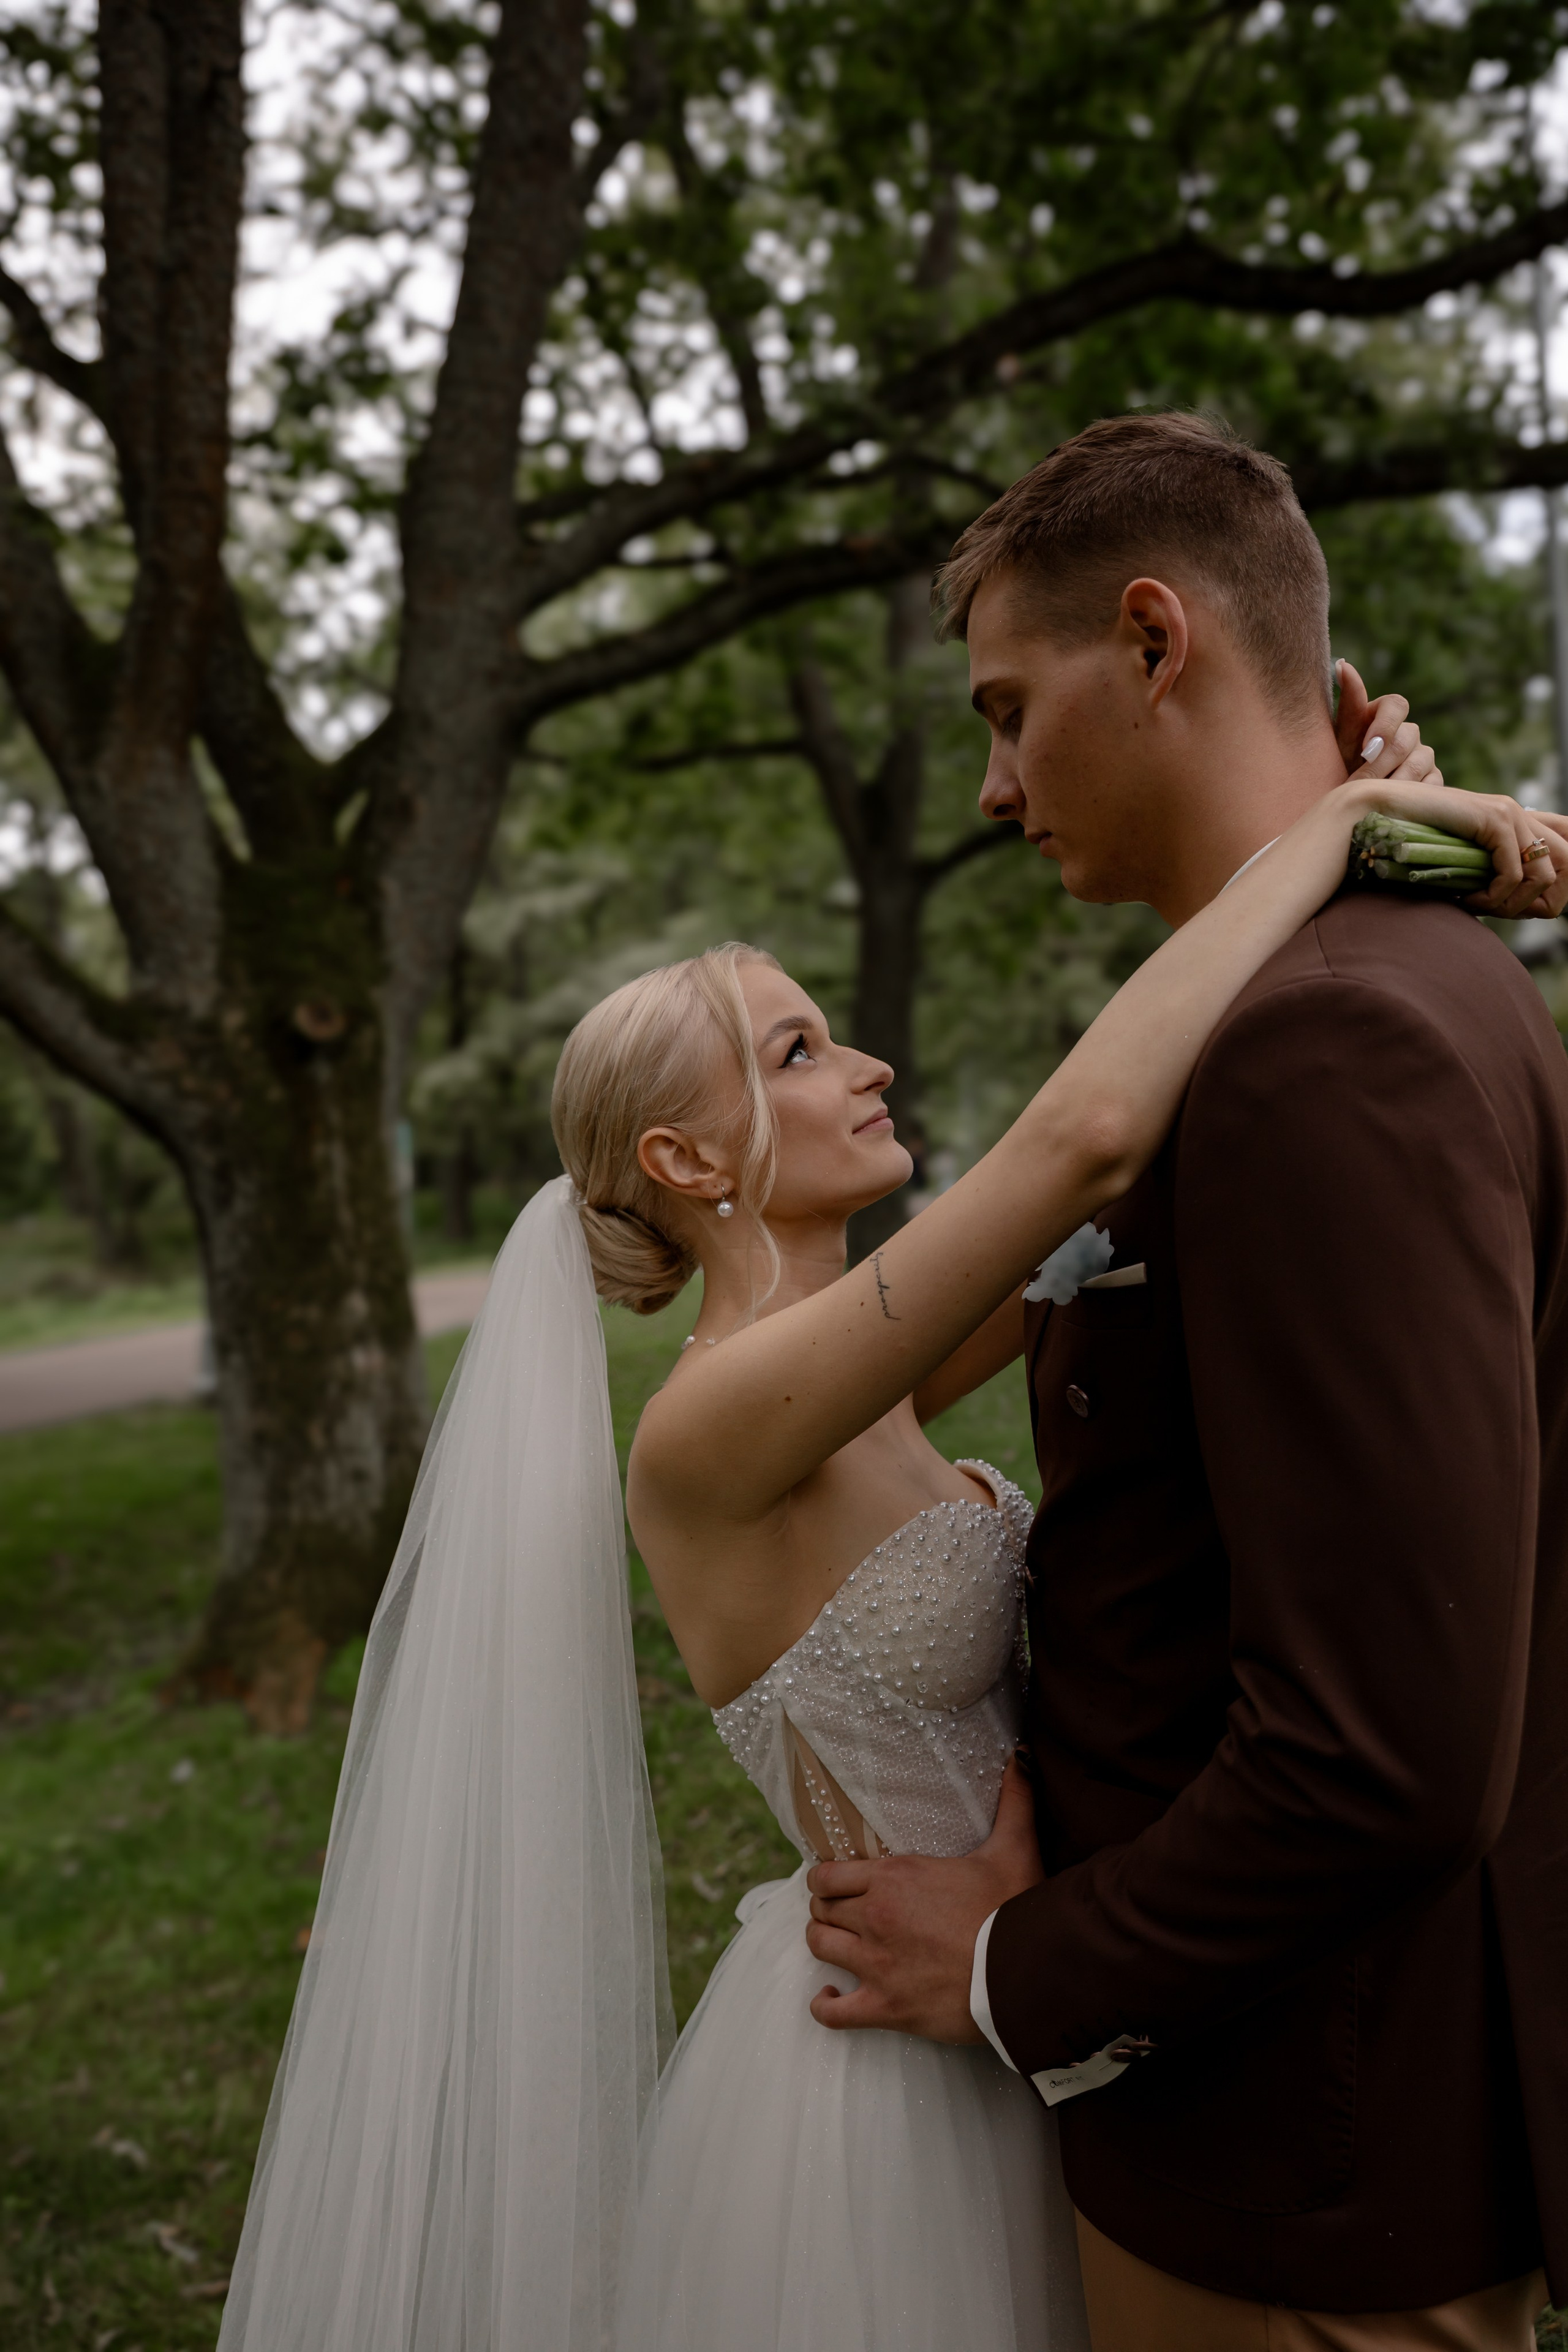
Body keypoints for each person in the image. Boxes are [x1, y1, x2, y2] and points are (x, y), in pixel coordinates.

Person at [801, 412, 1568, 2352]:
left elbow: (1383, 1759)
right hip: (1282, 2113)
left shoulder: (1336, 1052)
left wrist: (1017, 1964)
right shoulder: (1369, 980)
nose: (989, 786)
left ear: (1155, 641)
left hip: (1299, 2161)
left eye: (1005, 708)